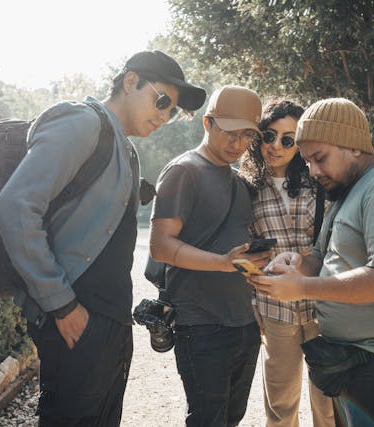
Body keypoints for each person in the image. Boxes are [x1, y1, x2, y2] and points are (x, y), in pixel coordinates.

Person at [0, 50, 206, 427]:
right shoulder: (82, 123)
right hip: (75, 318)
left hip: (109, 323)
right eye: (162, 101)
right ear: (130, 81)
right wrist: (62, 306)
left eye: (172, 112)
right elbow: (14, 207)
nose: (164, 115)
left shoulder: (124, 146)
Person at [250, 98, 374, 427]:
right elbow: (322, 258)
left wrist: (303, 287)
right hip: (357, 363)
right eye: (307, 161)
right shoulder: (348, 193)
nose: (312, 171)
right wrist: (297, 264)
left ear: (353, 147)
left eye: (320, 158)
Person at [149, 85, 271, 427]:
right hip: (200, 324)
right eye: (228, 132)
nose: (236, 143)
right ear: (207, 123)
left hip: (244, 324)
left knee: (232, 417)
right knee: (207, 420)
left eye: (246, 135)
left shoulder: (240, 183)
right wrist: (221, 262)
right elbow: (161, 245)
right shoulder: (182, 171)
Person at [239, 99, 334, 427]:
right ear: (258, 136)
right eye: (269, 135)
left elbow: (337, 242)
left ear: (300, 143)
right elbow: (245, 250)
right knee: (280, 404)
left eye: (288, 139)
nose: (275, 146)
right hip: (274, 306)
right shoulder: (246, 189)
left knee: (329, 402)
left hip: (323, 305)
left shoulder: (320, 183)